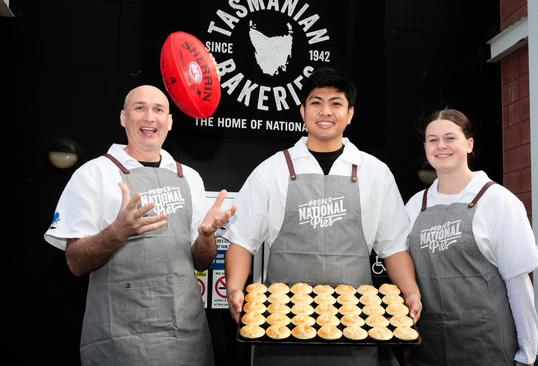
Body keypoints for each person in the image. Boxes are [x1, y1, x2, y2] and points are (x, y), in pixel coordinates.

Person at [223, 67, 422, 366]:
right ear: (302, 111)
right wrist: (235, 288)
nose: (325, 111)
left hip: (358, 325)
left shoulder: (374, 172)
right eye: (316, 103)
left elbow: (393, 246)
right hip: (282, 326)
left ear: (350, 113)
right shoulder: (272, 170)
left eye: (336, 103)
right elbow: (242, 240)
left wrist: (410, 291)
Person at [44, 85, 236, 366]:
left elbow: (201, 261)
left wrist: (207, 236)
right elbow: (75, 262)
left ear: (169, 122)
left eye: (158, 109)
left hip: (186, 339)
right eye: (139, 108)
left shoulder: (189, 177)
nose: (150, 117)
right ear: (123, 117)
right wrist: (119, 231)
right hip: (120, 342)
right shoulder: (95, 174)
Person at [405, 108, 538, 366]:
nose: (441, 146)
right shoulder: (415, 205)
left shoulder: (498, 201)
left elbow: (518, 282)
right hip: (429, 347)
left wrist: (527, 354)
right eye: (433, 140)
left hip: (486, 345)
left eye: (450, 138)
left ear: (469, 144)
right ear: (425, 147)